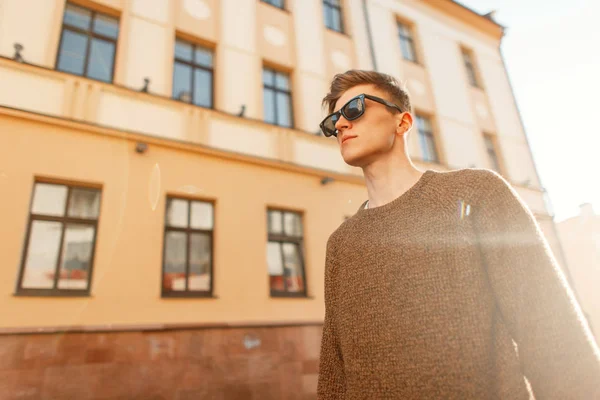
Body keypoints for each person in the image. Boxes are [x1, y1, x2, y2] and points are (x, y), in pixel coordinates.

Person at [316, 70, 600, 399]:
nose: (339, 125)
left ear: (403, 122)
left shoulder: (476, 193)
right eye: (333, 119)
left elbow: (551, 334)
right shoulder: (341, 244)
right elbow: (333, 375)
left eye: (354, 110)